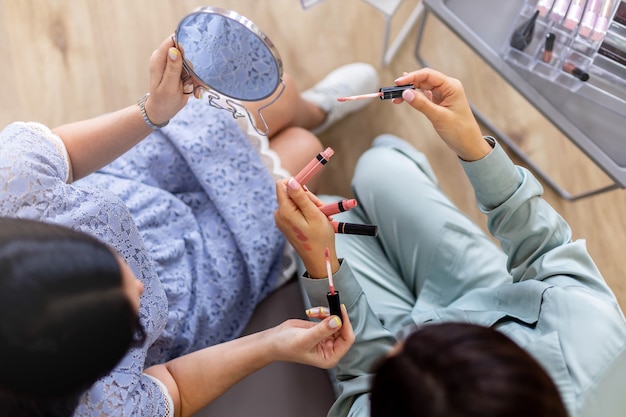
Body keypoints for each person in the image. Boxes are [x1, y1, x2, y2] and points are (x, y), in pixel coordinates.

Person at [0, 30, 380, 416]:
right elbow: (176, 388)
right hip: (194, 286)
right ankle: (310, 121)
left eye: (107, 257)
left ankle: (316, 109)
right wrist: (274, 342)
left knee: (274, 98)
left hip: (136, 186)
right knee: (302, 147)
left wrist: (152, 112)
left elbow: (65, 153)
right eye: (132, 322)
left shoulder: (9, 182)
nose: (140, 284)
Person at [274, 67, 626, 417]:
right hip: (486, 291)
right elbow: (545, 248)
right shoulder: (593, 341)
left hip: (391, 348)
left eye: (397, 356)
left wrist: (320, 260)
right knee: (379, 167)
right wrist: (471, 144)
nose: (414, 333)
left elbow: (362, 373)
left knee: (338, 223)